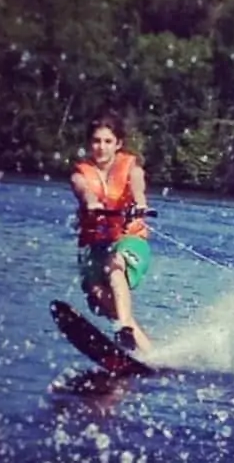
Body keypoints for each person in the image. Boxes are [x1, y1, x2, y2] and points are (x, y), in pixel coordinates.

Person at [70, 110, 153, 353]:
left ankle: (124, 327)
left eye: (108, 141)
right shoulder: (80, 173)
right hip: (95, 244)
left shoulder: (131, 168)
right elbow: (82, 188)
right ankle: (149, 353)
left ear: (118, 144)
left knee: (114, 265)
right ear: (89, 143)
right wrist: (91, 201)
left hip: (129, 240)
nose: (101, 147)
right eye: (96, 141)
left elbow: (137, 182)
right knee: (97, 294)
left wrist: (139, 202)